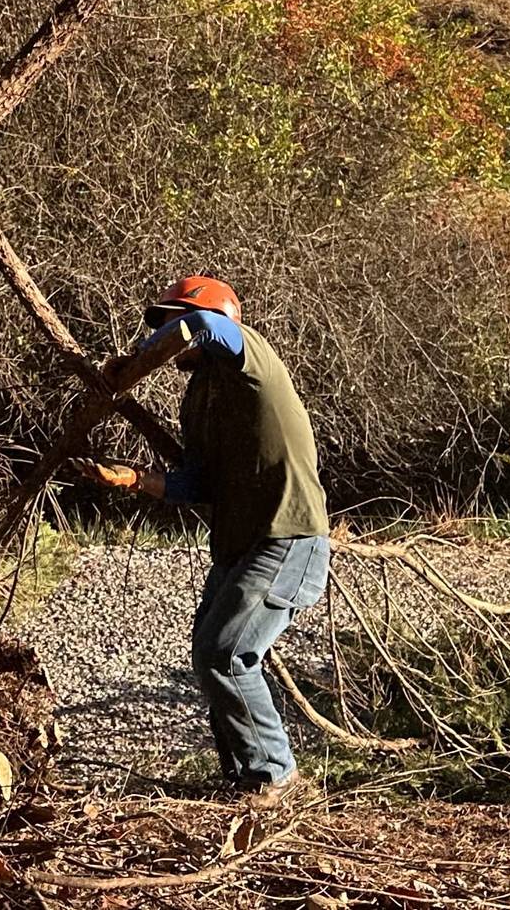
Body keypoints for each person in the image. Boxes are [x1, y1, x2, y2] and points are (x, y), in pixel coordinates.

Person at [77, 275, 330, 802]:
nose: (165, 332)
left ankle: (275, 776)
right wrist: (135, 480)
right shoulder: (198, 397)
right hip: (242, 545)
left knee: (226, 653)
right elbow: (199, 481)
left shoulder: (250, 357)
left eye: (168, 319)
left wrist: (133, 360)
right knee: (209, 654)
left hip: (287, 536)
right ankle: (242, 778)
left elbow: (204, 324)